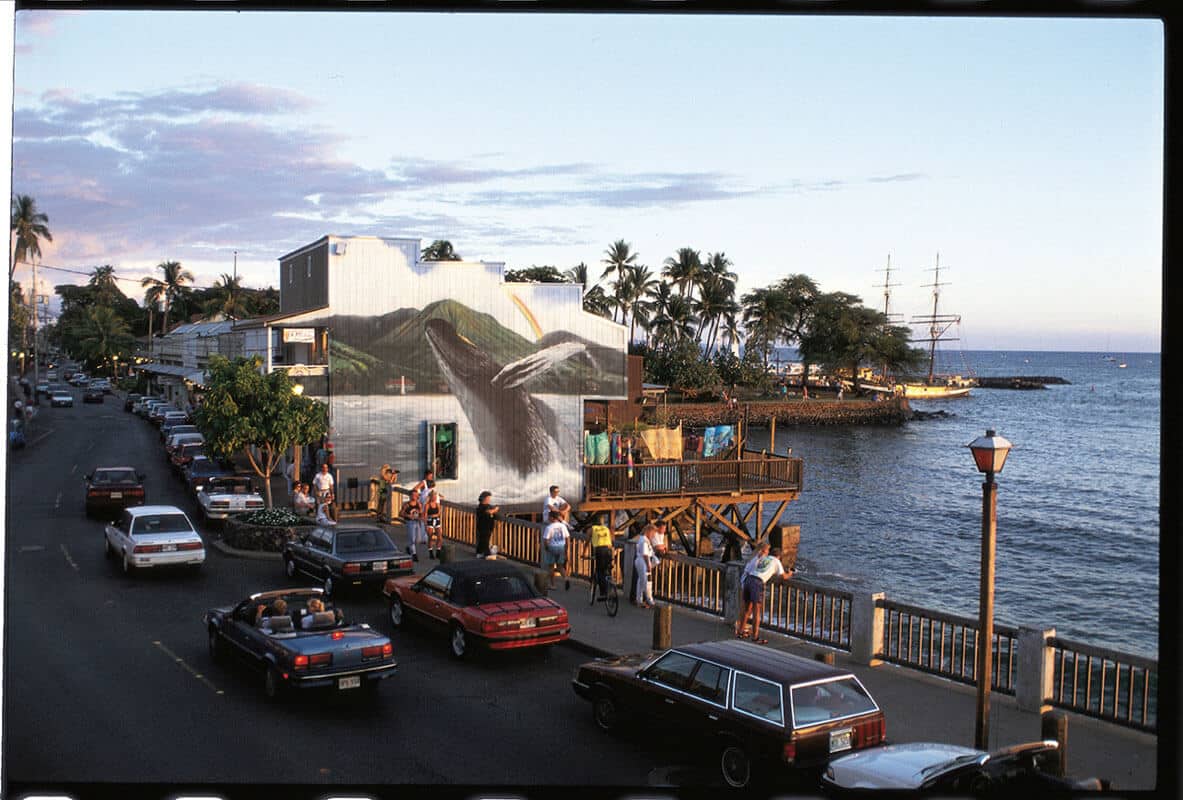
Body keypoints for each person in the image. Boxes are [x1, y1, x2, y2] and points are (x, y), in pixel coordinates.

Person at [735, 540, 794, 644]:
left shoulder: (764, 558)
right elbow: (783, 576)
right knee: (757, 611)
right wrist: (790, 573)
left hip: (749, 579)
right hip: (757, 583)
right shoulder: (776, 561)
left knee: (747, 609)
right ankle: (755, 637)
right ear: (779, 556)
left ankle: (740, 632)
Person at [541, 509, 571, 590]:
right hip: (561, 547)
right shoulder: (563, 526)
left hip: (552, 547)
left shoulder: (549, 527)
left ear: (552, 518)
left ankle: (553, 585)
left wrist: (546, 548)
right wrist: (566, 549)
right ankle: (566, 578)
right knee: (560, 566)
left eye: (549, 517)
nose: (548, 518)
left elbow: (546, 540)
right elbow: (567, 538)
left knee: (551, 567)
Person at [588, 513, 614, 600]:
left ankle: (603, 593)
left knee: (600, 571)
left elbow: (588, 541)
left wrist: (584, 553)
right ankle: (610, 583)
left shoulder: (592, 529)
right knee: (607, 568)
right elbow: (610, 543)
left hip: (600, 551)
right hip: (608, 550)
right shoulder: (606, 529)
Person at [634, 524, 658, 609]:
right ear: (649, 531)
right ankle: (649, 600)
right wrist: (648, 564)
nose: (653, 536)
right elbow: (645, 554)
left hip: (641, 561)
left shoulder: (643, 539)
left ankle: (639, 600)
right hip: (643, 561)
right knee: (647, 582)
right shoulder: (644, 541)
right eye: (653, 533)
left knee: (641, 581)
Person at [401, 490, 424, 561]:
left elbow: (421, 514)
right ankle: (414, 554)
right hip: (410, 522)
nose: (415, 497)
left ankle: (408, 547)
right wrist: (408, 515)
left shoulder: (419, 504)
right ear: (410, 496)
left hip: (417, 522)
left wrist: (421, 518)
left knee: (419, 539)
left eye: (416, 495)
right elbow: (401, 513)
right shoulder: (406, 505)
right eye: (413, 495)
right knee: (412, 539)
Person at [475, 490, 499, 558]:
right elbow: (488, 512)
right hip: (484, 526)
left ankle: (480, 553)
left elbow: (491, 512)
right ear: (484, 498)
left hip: (488, 526)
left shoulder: (488, 506)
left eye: (489, 498)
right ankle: (485, 554)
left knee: (484, 540)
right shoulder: (481, 506)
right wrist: (495, 509)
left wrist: (494, 510)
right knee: (484, 540)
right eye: (488, 498)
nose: (489, 499)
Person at [424, 483, 443, 559]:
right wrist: (425, 524)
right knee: (430, 537)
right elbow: (425, 514)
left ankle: (438, 551)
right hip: (430, 521)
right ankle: (431, 552)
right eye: (433, 497)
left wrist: (436, 516)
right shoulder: (427, 505)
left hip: (437, 520)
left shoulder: (437, 504)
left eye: (435, 496)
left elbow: (439, 512)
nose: (435, 498)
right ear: (431, 497)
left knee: (440, 537)